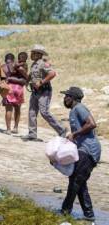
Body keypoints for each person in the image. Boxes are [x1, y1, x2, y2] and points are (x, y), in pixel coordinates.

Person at [60, 87, 101, 222]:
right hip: (82, 149)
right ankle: (89, 215)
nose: (64, 98)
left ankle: (65, 211)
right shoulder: (74, 110)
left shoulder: (79, 108)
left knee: (75, 180)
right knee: (79, 181)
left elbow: (92, 124)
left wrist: (75, 134)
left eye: (66, 96)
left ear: (72, 98)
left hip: (89, 150)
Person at [22, 45, 67, 141]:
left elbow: (52, 73)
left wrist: (41, 82)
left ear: (38, 54)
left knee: (44, 112)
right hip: (35, 91)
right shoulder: (34, 64)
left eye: (33, 53)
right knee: (32, 112)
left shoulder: (43, 64)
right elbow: (32, 74)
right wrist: (27, 81)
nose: (31, 55)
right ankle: (32, 134)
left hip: (44, 91)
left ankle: (62, 130)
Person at [3, 52, 29, 134]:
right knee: (17, 108)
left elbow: (10, 72)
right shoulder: (25, 66)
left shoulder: (8, 66)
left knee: (9, 109)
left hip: (10, 88)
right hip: (19, 88)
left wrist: (10, 78)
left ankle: (8, 129)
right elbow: (26, 78)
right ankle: (16, 128)